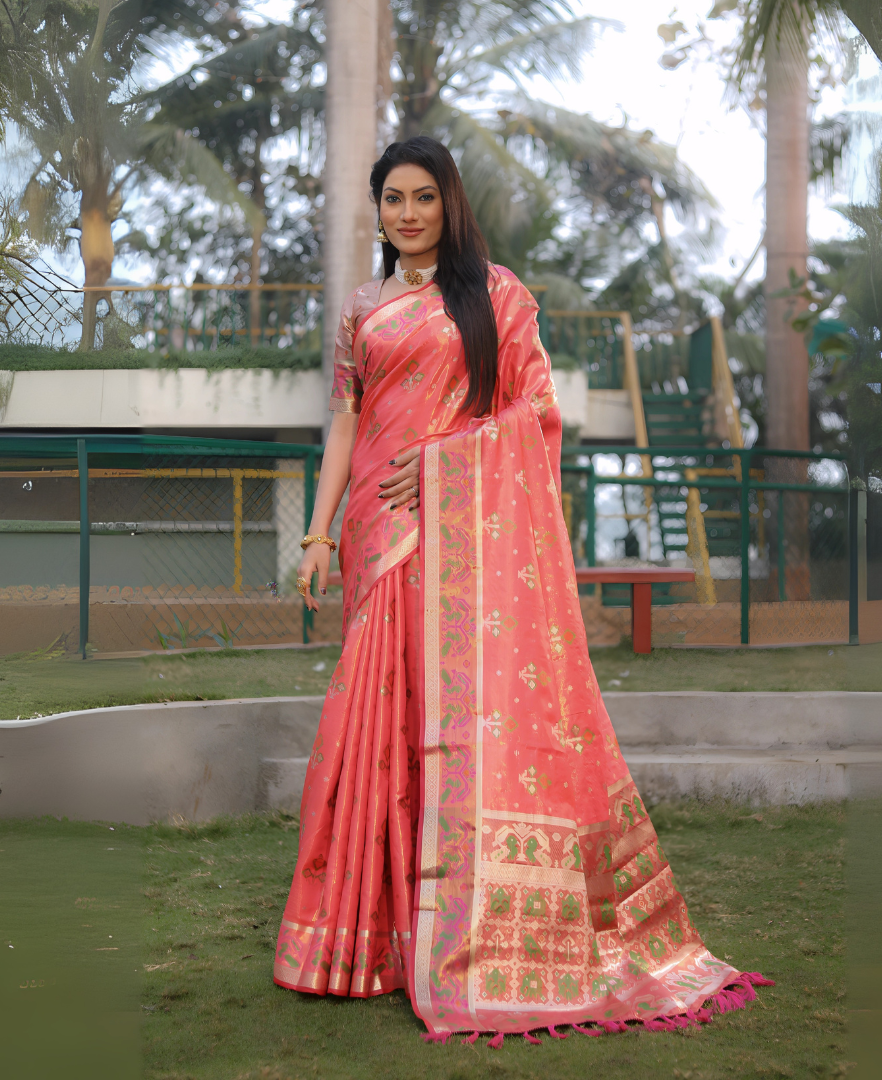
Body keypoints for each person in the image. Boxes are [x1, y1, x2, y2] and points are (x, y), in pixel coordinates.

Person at [274, 135, 770, 1044]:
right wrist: (316, 529)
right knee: (374, 726)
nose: (409, 214)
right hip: (375, 539)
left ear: (449, 203)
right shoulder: (360, 310)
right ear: (376, 210)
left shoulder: (495, 297)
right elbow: (344, 423)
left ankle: (460, 932)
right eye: (393, 199)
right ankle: (367, 944)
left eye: (424, 197)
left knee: (451, 721)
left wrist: (440, 463)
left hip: (458, 533)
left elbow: (533, 415)